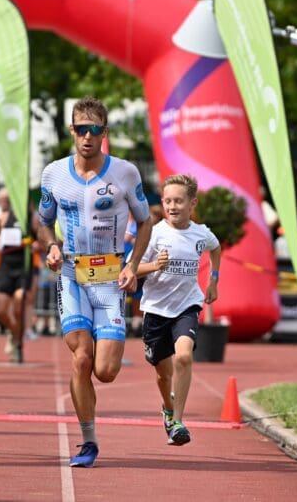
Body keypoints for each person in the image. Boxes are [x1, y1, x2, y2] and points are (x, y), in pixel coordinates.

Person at [38, 96, 151, 468]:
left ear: (105, 133)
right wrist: (52, 246)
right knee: (81, 357)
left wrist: (133, 265)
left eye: (95, 130)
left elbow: (145, 221)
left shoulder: (125, 172)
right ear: (72, 131)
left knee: (105, 371)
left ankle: (110, 343)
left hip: (109, 280)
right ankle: (88, 441)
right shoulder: (53, 173)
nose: (88, 137)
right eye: (81, 129)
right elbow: (42, 222)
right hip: (71, 275)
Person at [135, 174, 221, 446]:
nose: (173, 206)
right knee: (163, 374)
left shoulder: (201, 233)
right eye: (168, 201)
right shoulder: (154, 233)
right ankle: (167, 408)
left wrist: (213, 280)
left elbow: (216, 248)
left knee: (183, 356)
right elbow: (131, 270)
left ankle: (178, 422)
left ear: (192, 204)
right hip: (156, 310)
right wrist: (153, 266)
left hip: (187, 305)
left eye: (179, 201)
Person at [0, 187, 37, 362]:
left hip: (23, 267)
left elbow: (41, 242)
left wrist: (35, 245)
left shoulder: (32, 218)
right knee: (1, 310)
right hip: (5, 266)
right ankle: (14, 333)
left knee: (19, 302)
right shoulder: (4, 216)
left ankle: (17, 340)